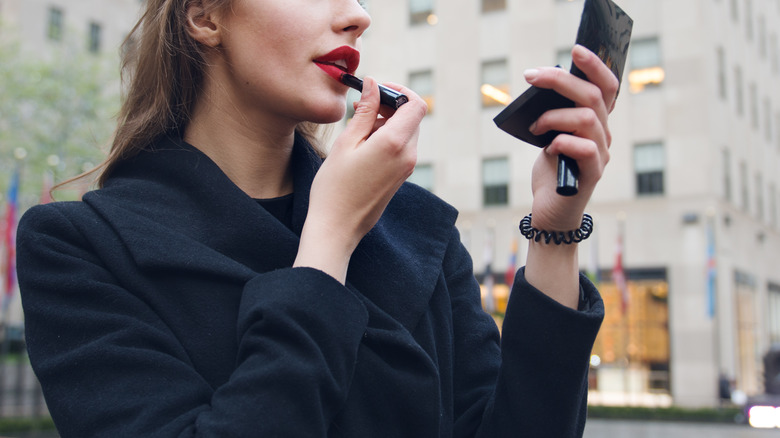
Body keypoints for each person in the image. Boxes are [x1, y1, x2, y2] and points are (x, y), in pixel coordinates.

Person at [17, 0, 617, 436]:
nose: (357, 15)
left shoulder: (416, 228)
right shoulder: (78, 247)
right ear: (204, 16)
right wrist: (327, 240)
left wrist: (556, 232)